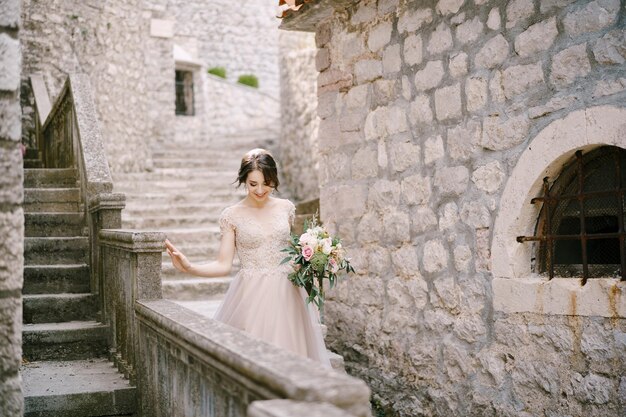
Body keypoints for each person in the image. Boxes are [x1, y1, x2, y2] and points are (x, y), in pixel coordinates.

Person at [165, 148, 331, 367]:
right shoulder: (232, 215)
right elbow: (223, 265)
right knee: (258, 359)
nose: (261, 190)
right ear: (244, 180)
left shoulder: (286, 208)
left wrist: (313, 260)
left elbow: (290, 250)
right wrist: (190, 268)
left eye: (267, 183)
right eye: (253, 184)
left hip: (289, 292)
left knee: (293, 357)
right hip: (253, 294)